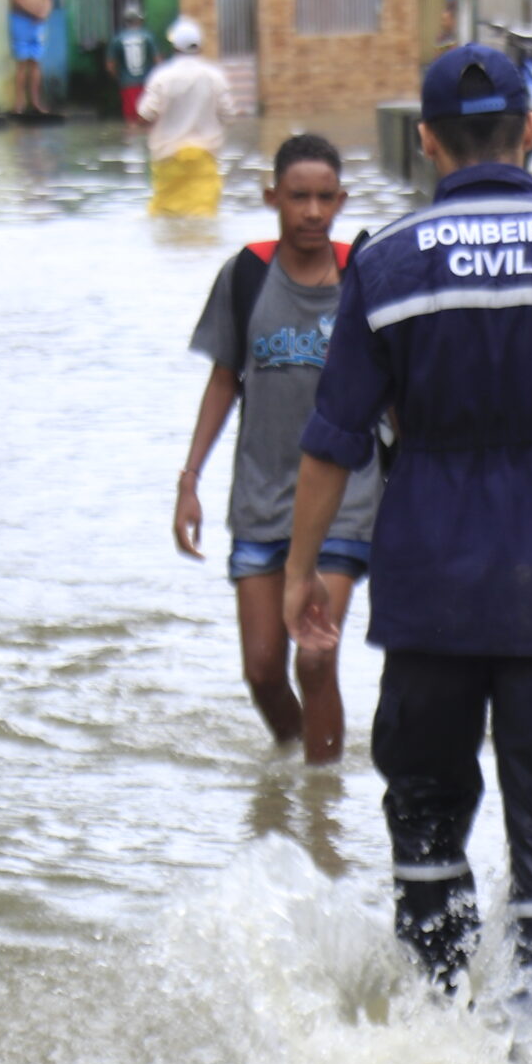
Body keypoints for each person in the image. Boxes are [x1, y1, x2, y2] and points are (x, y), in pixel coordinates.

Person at [276, 43, 532, 1035]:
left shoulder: (384, 262)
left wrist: (301, 571)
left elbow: (333, 440)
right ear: (530, 129)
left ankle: (437, 1021)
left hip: (428, 579)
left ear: (425, 140)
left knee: (424, 808)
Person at [175, 133, 380, 760]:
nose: (313, 212)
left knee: (314, 660)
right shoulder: (245, 275)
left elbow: (399, 388)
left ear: (342, 200)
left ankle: (322, 801)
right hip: (261, 501)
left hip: (345, 501)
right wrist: (189, 480)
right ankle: (300, 763)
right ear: (272, 199)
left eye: (325, 197)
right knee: (263, 670)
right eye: (298, 197)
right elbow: (223, 380)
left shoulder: (364, 278)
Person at [136, 16, 235, 217]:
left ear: (174, 47)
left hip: (168, 159)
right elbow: (228, 115)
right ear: (200, 46)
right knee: (203, 216)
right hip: (204, 158)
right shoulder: (214, 76)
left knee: (166, 216)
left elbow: (146, 114)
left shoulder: (162, 77)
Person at [7, 0, 53, 117]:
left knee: (36, 61)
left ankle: (35, 101)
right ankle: (19, 102)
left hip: (38, 22)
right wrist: (33, 11)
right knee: (22, 62)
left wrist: (44, 12)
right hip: (21, 20)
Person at [106, 5, 158, 125]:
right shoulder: (148, 37)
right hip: (147, 84)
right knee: (148, 119)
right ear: (139, 20)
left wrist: (119, 78)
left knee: (131, 120)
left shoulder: (117, 39)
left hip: (127, 85)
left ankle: (132, 137)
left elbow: (110, 66)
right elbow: (157, 60)